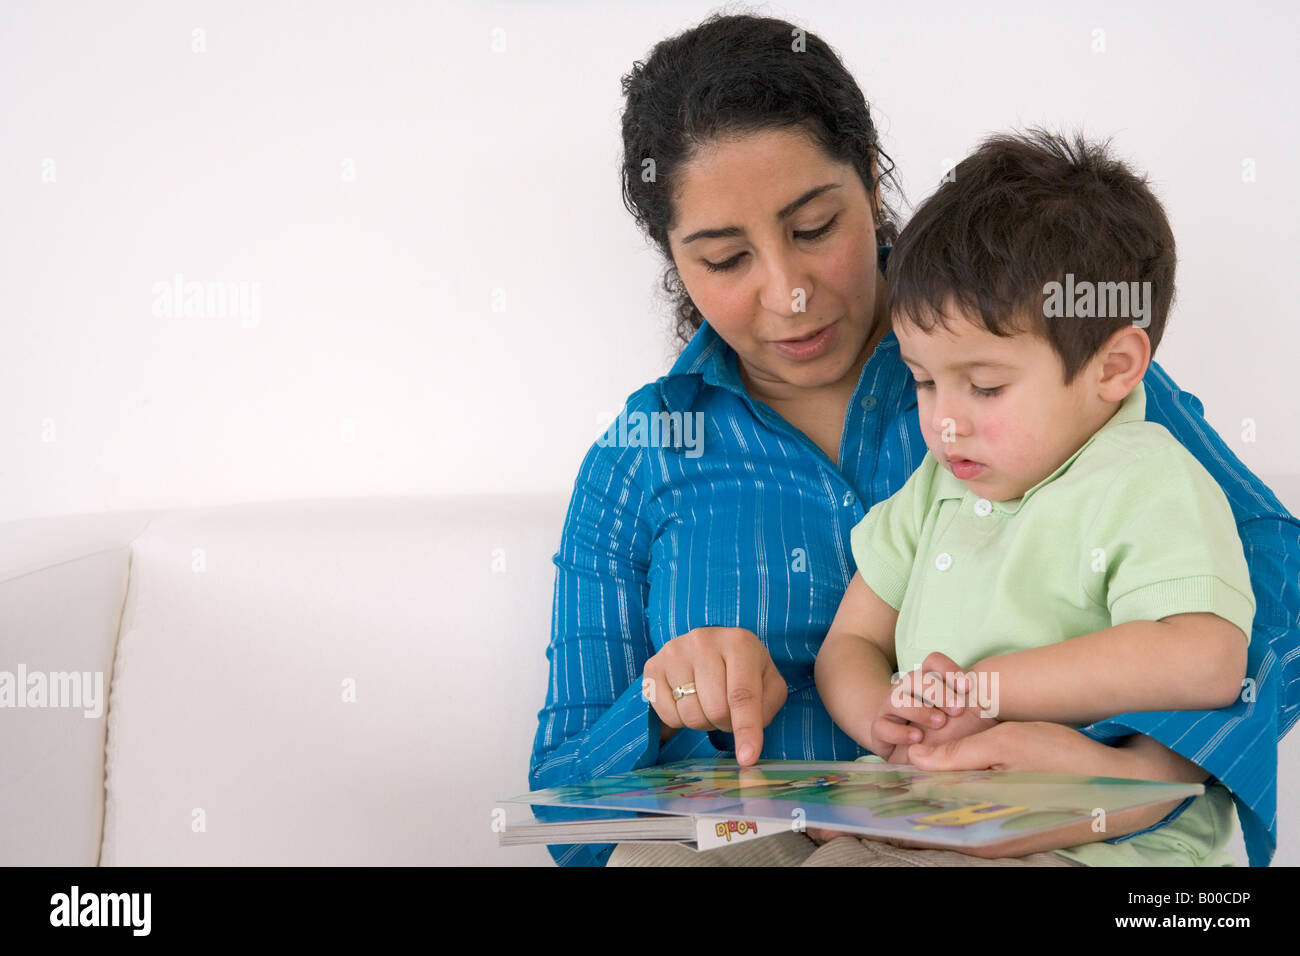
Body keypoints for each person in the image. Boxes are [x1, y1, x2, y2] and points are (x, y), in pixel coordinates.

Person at [528, 12, 1300, 867]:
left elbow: (1276, 578)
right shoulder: (639, 457)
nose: (787, 293)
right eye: (724, 259)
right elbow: (565, 811)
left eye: (816, 227)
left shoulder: (1043, 358)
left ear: (870, 179)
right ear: (674, 259)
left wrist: (1135, 772)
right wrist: (663, 696)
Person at [815, 129, 1254, 866]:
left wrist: (986, 690)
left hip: (1096, 832)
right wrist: (884, 719)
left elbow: (1206, 657)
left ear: (1114, 367)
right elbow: (851, 643)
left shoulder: (1146, 480)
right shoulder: (937, 486)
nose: (945, 421)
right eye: (924, 382)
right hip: (933, 801)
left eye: (985, 387)